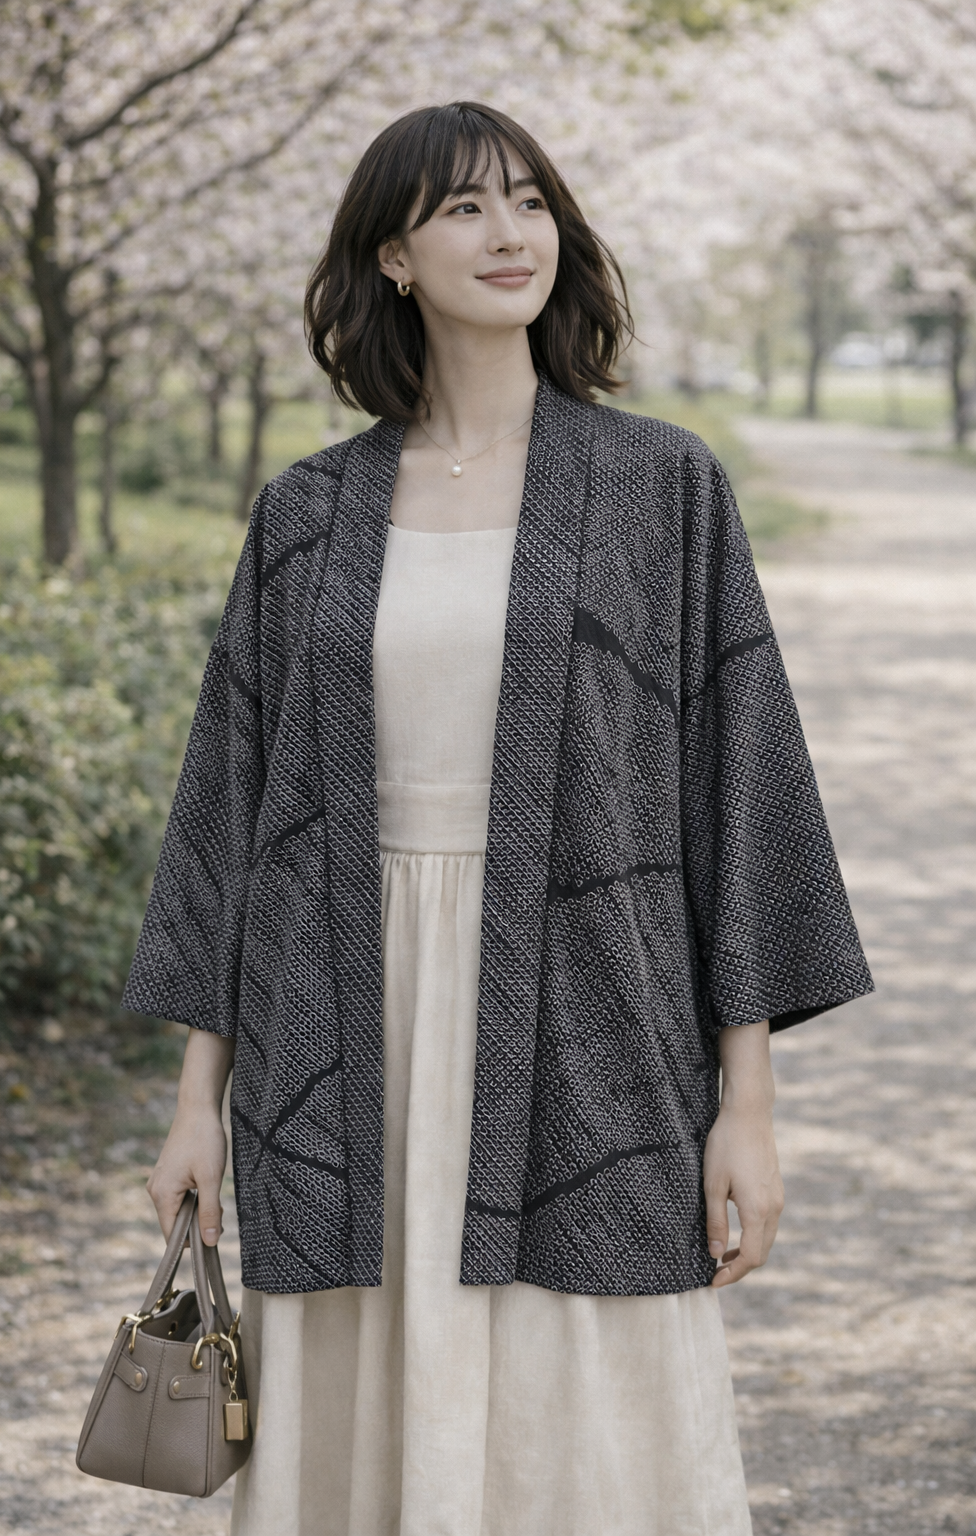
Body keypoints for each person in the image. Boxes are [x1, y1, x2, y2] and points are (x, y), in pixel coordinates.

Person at [125, 102, 872, 1536]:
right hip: (345, 1008)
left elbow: (742, 796)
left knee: (576, 1356)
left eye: (530, 201)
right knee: (359, 1349)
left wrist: (750, 1111)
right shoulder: (306, 514)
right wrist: (194, 1107)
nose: (508, 231)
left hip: (590, 1004)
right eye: (464, 208)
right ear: (394, 254)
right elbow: (231, 812)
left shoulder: (664, 489)